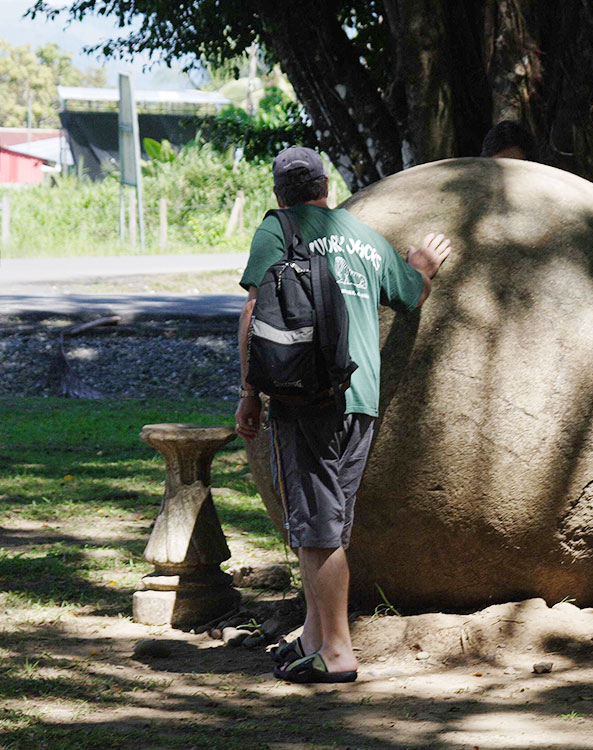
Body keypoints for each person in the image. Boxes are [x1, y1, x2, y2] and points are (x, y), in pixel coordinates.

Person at [234, 146, 453, 684]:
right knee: (327, 521)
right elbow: (411, 294)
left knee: (318, 529)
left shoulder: (279, 228)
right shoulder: (362, 235)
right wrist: (421, 266)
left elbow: (252, 308)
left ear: (280, 193)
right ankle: (313, 636)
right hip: (359, 399)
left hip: (304, 398)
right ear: (326, 187)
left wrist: (248, 393)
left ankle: (337, 652)